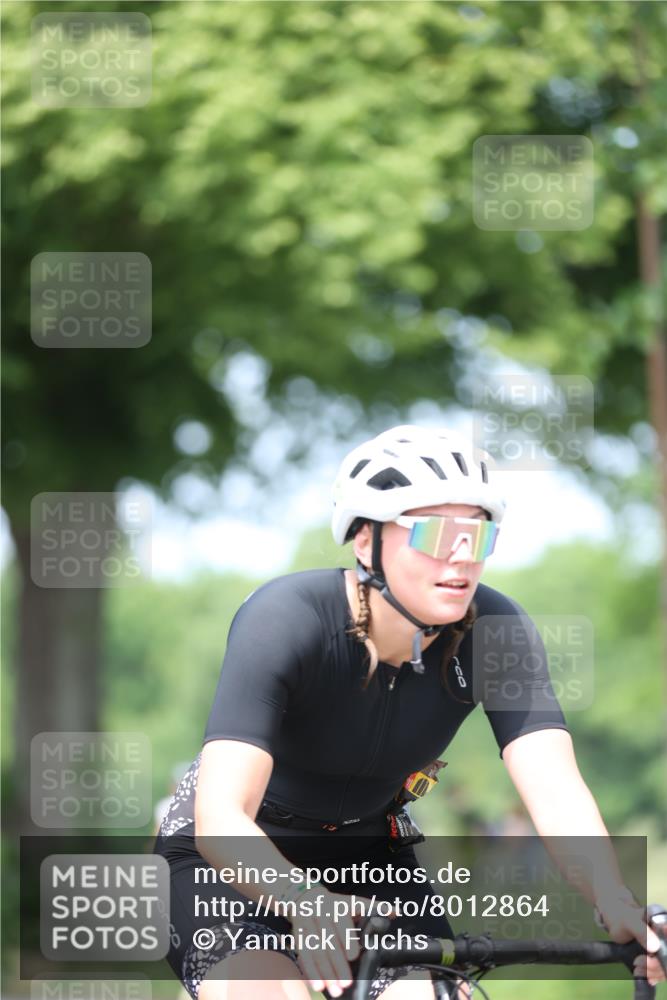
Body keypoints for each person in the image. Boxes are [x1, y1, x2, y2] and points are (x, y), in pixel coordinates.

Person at [155, 425, 665, 1000]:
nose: (461, 556)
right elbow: (221, 817)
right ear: (365, 540)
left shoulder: (497, 632)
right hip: (227, 859)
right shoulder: (286, 619)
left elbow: (555, 790)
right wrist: (305, 902)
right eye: (435, 532)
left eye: (478, 534)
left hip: (369, 855)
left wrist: (612, 897)